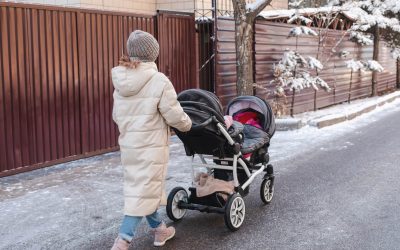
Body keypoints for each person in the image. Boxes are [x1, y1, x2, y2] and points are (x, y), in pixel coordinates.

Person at [110, 30, 192, 249]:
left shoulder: (121, 80)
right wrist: (188, 125)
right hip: (151, 146)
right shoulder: (159, 80)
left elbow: (116, 116)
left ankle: (159, 230)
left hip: (129, 145)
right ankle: (123, 239)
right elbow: (174, 114)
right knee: (143, 191)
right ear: (153, 54)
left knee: (143, 188)